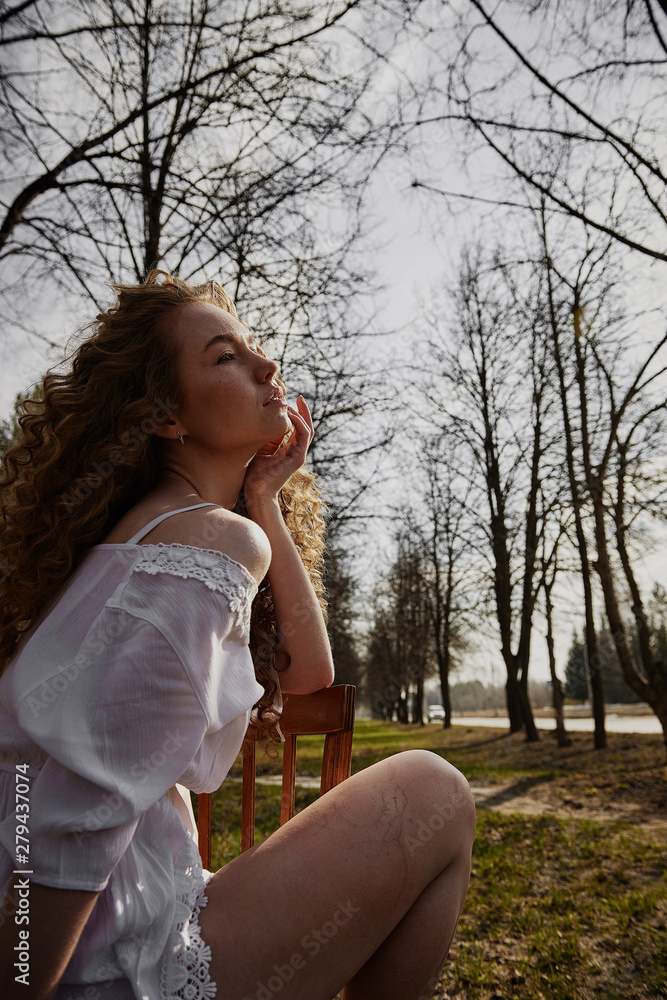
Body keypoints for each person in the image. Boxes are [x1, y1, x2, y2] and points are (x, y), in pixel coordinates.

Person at [0, 271, 475, 1000]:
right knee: (434, 793)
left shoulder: (170, 535)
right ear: (165, 415)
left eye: (255, 348)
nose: (266, 366)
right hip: (109, 964)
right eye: (225, 356)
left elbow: (309, 671)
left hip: (131, 917)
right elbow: (77, 813)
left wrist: (263, 501)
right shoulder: (201, 545)